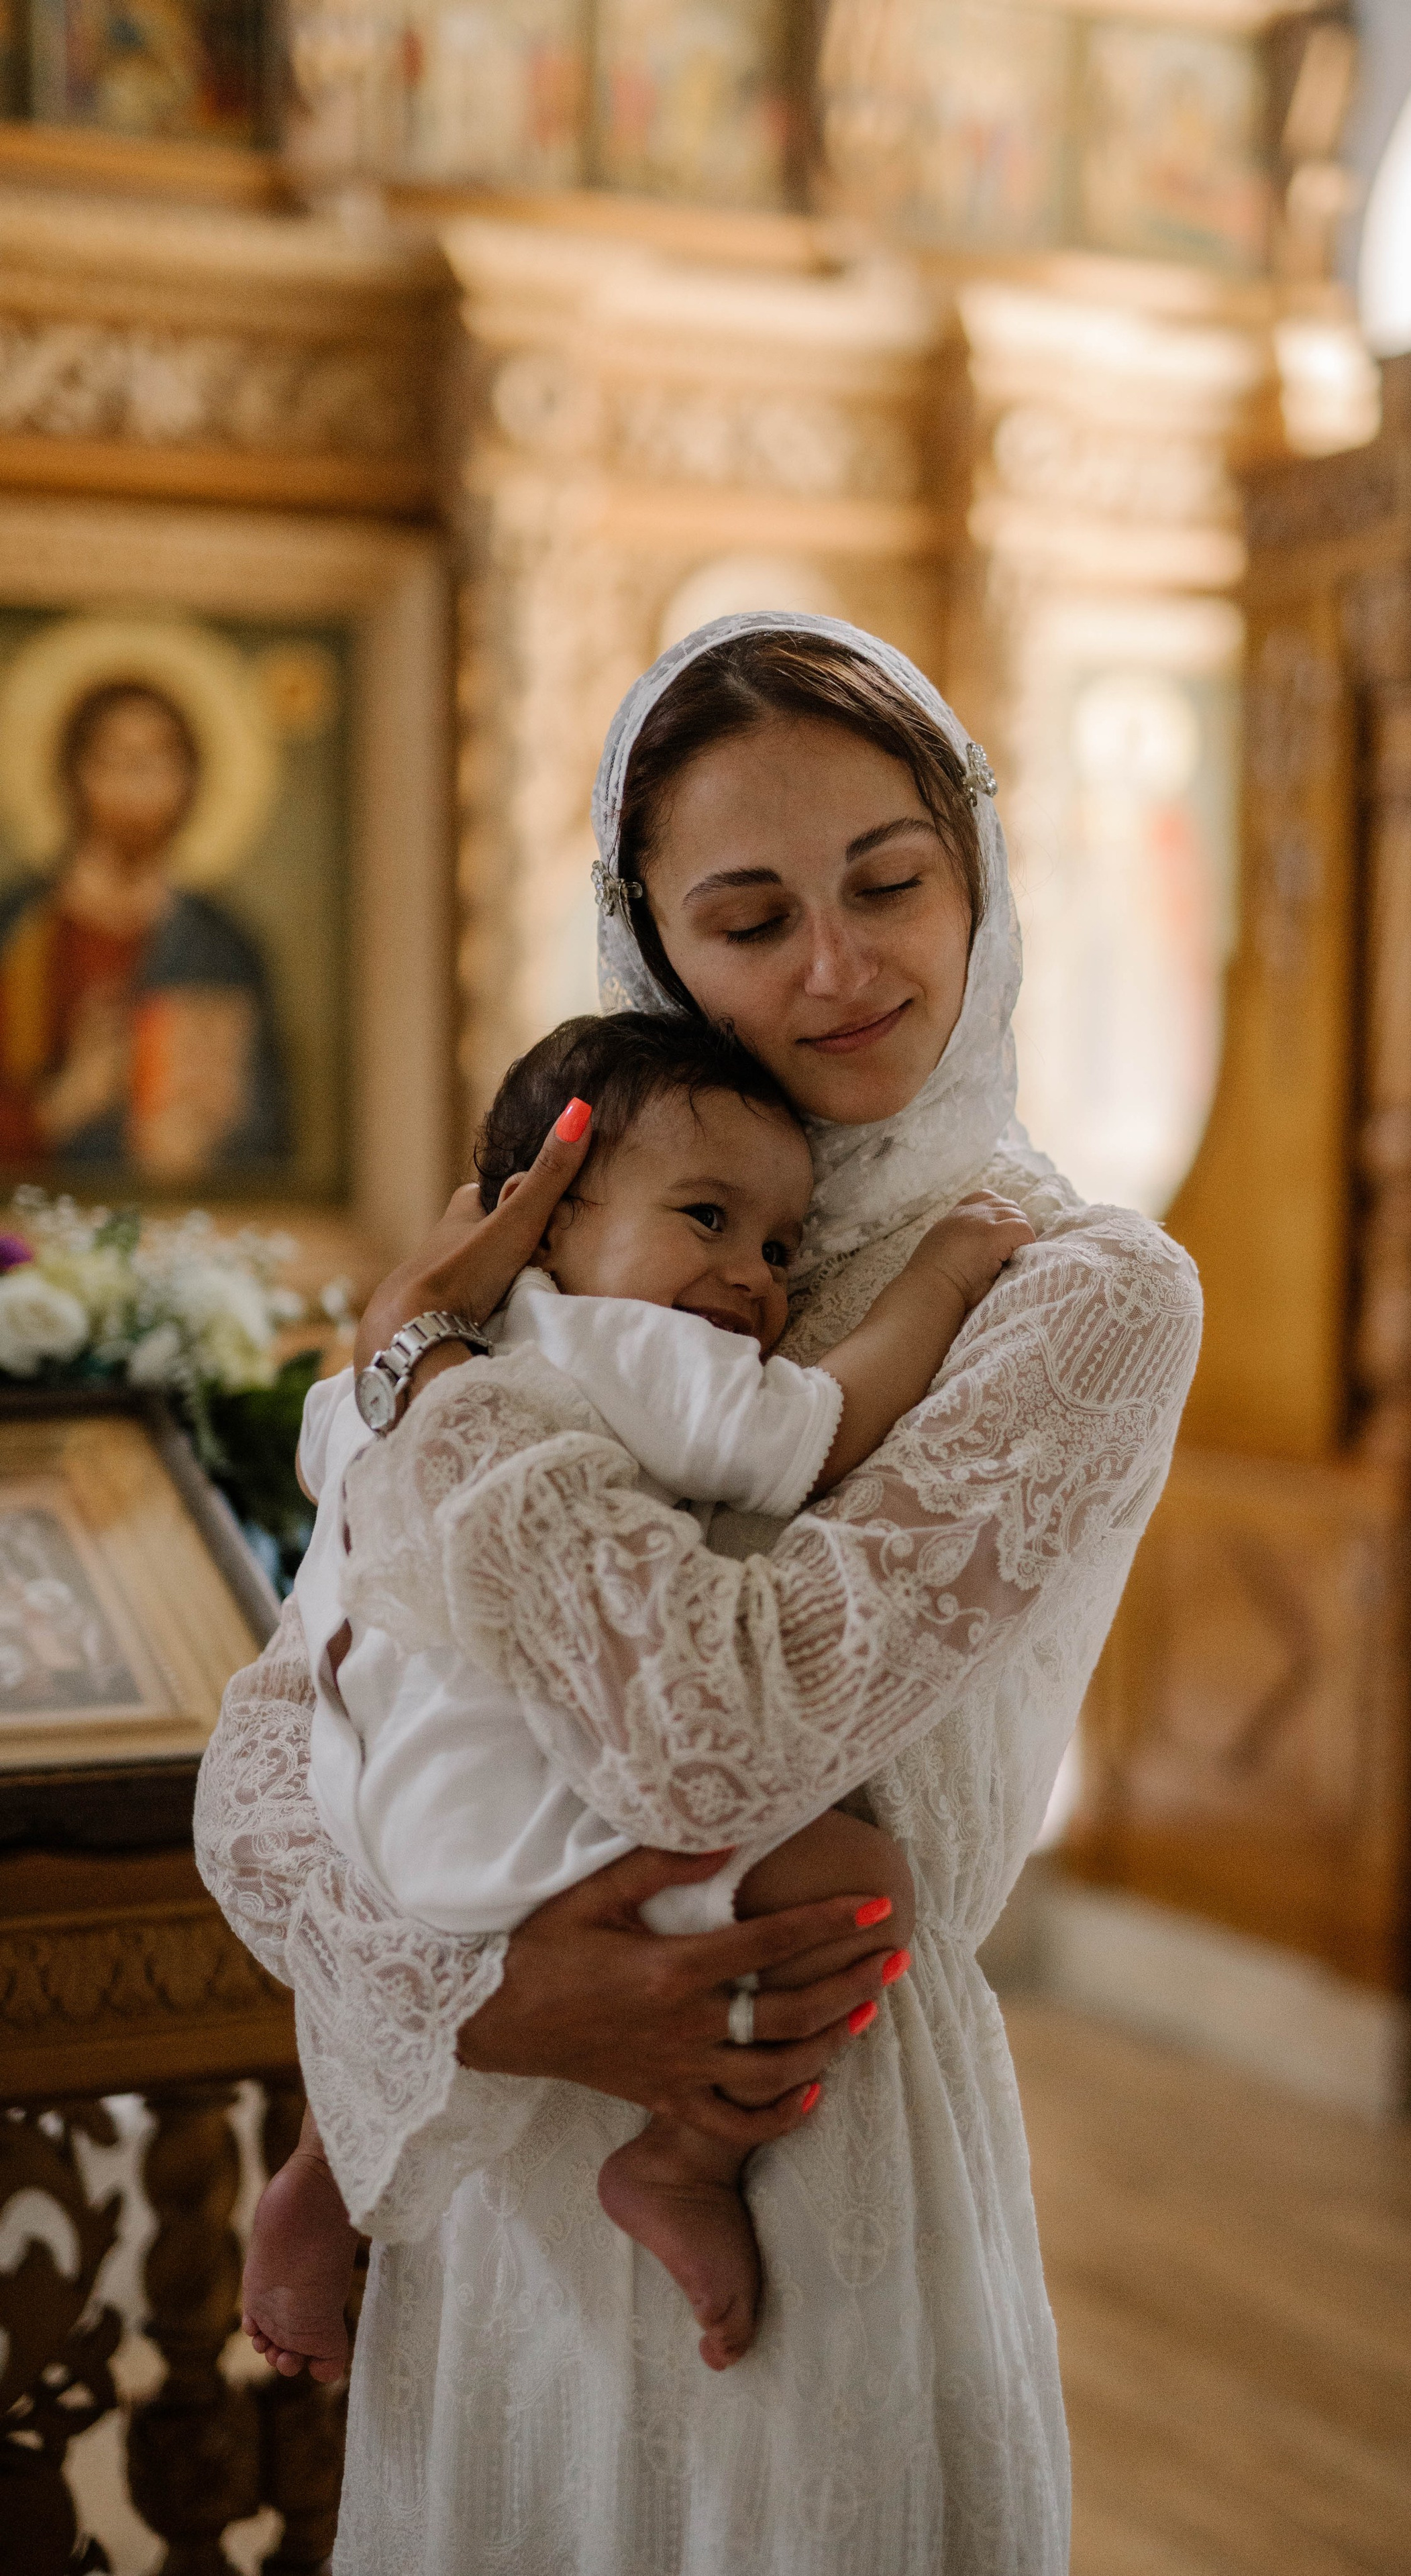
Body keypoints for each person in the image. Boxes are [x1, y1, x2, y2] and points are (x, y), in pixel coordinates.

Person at [195, 612, 1202, 2576]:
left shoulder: (1074, 1291)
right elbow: (264, 1759)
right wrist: (482, 2011)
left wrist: (423, 1382)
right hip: (492, 2189)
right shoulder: (581, 1255)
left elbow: (728, 1727)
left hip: (807, 2148)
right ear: (651, 944)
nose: (836, 966)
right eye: (747, 918)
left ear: (977, 877)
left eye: (887, 884)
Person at [243, 1006, 1031, 2378]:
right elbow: (823, 1424)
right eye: (706, 1217)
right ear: (547, 1221)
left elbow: (335, 1453)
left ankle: (322, 2169)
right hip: (512, 1797)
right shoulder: (627, 1348)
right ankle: (681, 2159)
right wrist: (949, 1276)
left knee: (406, 1930)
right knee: (861, 1882)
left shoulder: (412, 1358)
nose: (750, 1277)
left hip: (363, 1789)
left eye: (779, 1247)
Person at [0, 680, 285, 1177]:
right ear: (74, 777)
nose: (138, 784)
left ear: (191, 783)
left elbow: (271, 1133)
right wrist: (61, 1107)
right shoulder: (17, 930)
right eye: (116, 760)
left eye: (160, 761)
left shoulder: (223, 946)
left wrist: (207, 1144)